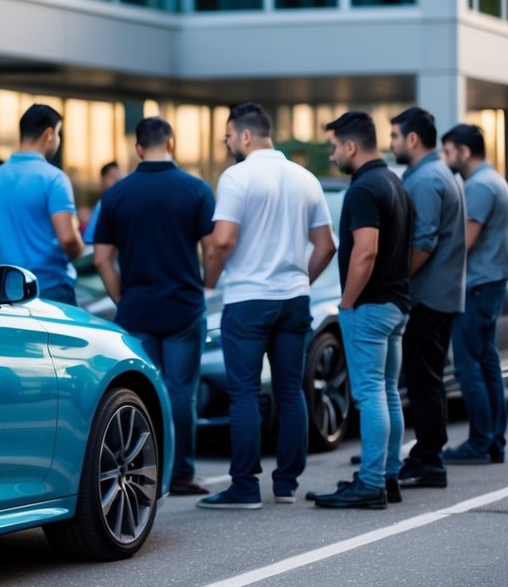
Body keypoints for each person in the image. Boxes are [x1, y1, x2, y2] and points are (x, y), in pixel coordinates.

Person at [198, 103, 336, 509]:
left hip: (247, 298)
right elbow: (326, 245)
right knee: (290, 390)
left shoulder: (237, 177)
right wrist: (300, 281)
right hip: (294, 299)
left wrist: (210, 281)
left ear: (244, 136)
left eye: (227, 138)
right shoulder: (305, 178)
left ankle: (244, 488)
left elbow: (222, 240)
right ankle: (286, 485)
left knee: (243, 393)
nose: (227, 145)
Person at [92, 117, 215, 496]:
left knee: (142, 394)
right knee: (182, 394)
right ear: (172, 144)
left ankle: (146, 472)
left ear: (138, 148)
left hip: (138, 310)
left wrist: (121, 299)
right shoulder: (196, 189)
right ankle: (182, 474)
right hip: (184, 306)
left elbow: (101, 259)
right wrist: (205, 286)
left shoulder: (116, 194)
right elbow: (212, 248)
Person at [309, 110, 413, 510]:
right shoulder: (394, 184)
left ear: (351, 146)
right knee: (386, 392)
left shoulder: (364, 188)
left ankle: (371, 483)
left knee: (370, 393)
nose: (334, 153)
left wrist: (347, 301)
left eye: (335, 146)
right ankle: (387, 477)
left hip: (370, 306)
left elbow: (365, 251)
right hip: (396, 304)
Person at [388, 107, 467, 490]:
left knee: (424, 381)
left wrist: (397, 278)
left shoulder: (425, 179)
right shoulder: (440, 173)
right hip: (442, 295)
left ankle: (428, 460)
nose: (391, 144)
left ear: (412, 139)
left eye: (395, 137)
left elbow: (422, 242)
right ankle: (426, 454)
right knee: (428, 380)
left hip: (428, 298)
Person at [440, 123, 508, 465]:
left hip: (477, 287)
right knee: (487, 363)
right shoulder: (492, 180)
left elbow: (465, 242)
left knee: (469, 366)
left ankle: (479, 442)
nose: (444, 158)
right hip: (490, 283)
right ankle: (494, 441)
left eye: (448, 151)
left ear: (465, 152)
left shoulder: (480, 186)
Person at [0, 104, 84, 305]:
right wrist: (79, 250)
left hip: (10, 294)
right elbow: (68, 238)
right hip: (53, 290)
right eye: (59, 133)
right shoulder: (55, 179)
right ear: (50, 133)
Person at [83, 161, 124, 244]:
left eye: (119, 177)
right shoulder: (102, 204)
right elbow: (89, 239)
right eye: (112, 177)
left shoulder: (123, 202)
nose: (117, 181)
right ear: (103, 178)